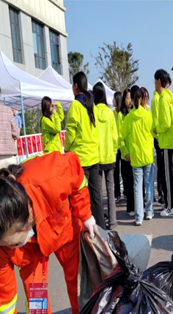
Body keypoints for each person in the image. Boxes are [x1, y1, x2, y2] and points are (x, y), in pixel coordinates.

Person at [0, 152, 96, 314]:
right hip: (32, 258)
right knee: (38, 313)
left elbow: (76, 170)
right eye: (7, 246)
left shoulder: (49, 176)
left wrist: (85, 214)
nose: (11, 249)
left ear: (28, 216)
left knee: (82, 294)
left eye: (15, 243)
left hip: (63, 230)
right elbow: (1, 311)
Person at [65, 72, 104, 226]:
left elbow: (70, 132)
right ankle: (102, 232)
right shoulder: (91, 103)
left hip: (80, 159)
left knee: (81, 199)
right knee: (96, 199)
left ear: (75, 86)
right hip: (94, 157)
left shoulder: (75, 105)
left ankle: (84, 234)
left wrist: (67, 149)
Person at [120, 86, 154, 226]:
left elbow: (121, 136)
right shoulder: (147, 114)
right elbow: (153, 129)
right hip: (147, 155)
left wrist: (126, 152)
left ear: (133, 101)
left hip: (135, 157)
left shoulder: (128, 118)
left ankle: (138, 217)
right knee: (149, 185)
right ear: (141, 99)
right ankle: (149, 211)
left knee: (137, 188)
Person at [93, 83, 119, 230]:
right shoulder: (110, 113)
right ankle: (113, 220)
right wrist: (114, 151)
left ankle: (100, 221)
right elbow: (115, 136)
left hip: (97, 156)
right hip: (109, 155)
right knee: (110, 189)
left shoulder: (93, 112)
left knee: (98, 191)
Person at [153, 69, 173, 216]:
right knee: (167, 175)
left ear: (159, 81)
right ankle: (169, 204)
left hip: (166, 142)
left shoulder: (163, 98)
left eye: (155, 80)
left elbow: (167, 123)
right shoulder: (165, 97)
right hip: (166, 142)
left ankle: (170, 206)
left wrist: (158, 129)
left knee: (167, 177)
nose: (154, 83)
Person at [119, 87, 136, 216]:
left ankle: (138, 206)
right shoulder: (121, 115)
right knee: (128, 182)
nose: (129, 101)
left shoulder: (135, 113)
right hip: (126, 156)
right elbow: (120, 137)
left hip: (136, 154)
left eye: (131, 98)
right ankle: (130, 207)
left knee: (137, 182)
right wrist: (125, 153)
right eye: (127, 98)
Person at [112, 91, 123, 202]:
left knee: (124, 172)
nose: (112, 101)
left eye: (114, 99)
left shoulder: (122, 114)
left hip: (122, 147)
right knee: (115, 172)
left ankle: (124, 192)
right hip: (115, 147)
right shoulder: (112, 114)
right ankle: (117, 194)